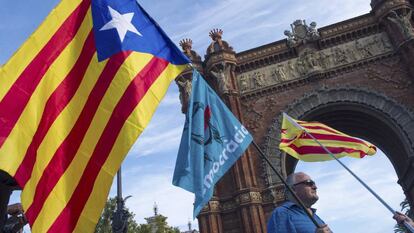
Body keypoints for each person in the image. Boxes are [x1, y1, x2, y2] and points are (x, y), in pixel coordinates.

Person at [267, 172, 332, 233]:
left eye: (314, 183)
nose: (315, 187)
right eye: (309, 183)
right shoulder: (282, 213)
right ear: (293, 189)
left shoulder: (317, 218)